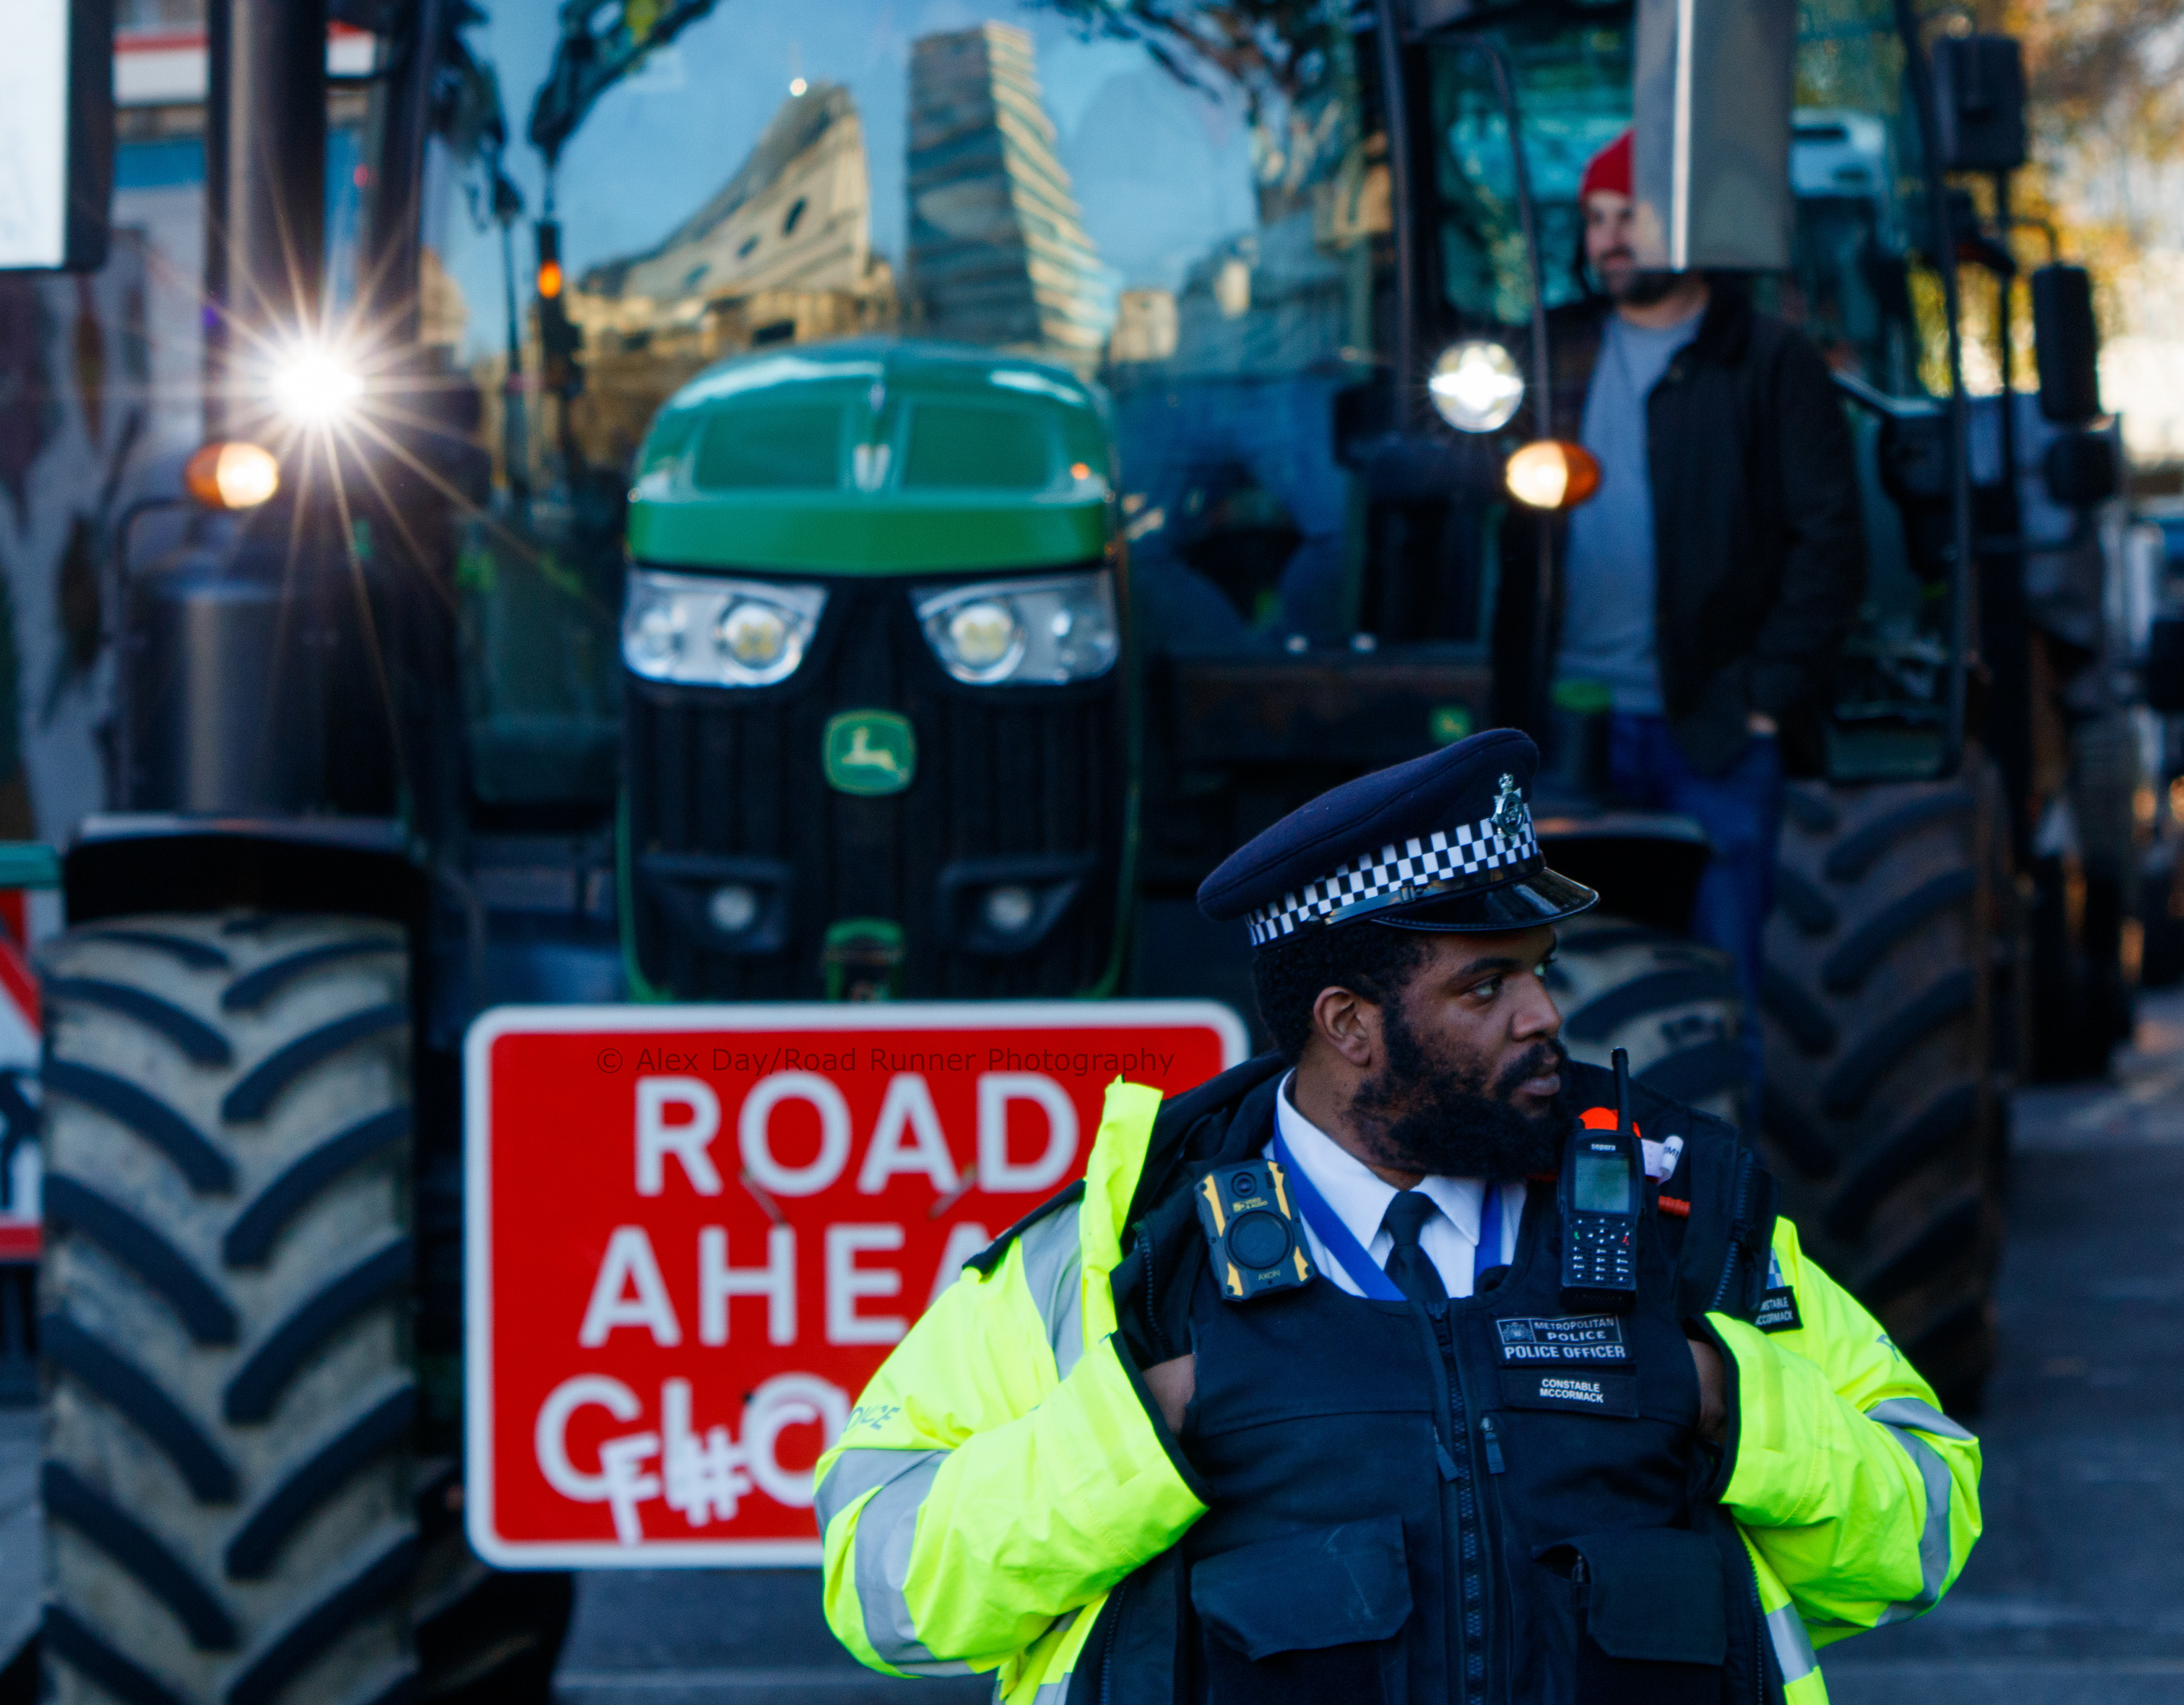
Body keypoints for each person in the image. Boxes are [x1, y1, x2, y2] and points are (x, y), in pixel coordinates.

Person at [816, 729, 1980, 1705]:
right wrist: (1143, 1430)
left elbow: (1926, 1524)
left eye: (1540, 968)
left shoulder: (1681, 1219)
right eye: (1486, 985)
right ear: (1349, 1025)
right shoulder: (1120, 1258)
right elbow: (885, 1583)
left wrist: (1732, 1405)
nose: (1544, 1016)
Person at [1552, 129, 1866, 1088]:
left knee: (1720, 1000)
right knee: (1539, 995)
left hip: (1713, 732)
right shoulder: (1548, 348)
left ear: (1683, 225)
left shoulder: (1767, 362)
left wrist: (1762, 697)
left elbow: (1830, 543)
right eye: (1595, 222)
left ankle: (1714, 1222)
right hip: (1569, 726)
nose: (1608, 243)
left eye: (1628, 220)